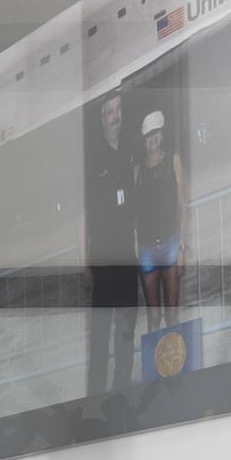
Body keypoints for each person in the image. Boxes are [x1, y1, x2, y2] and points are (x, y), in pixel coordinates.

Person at [84, 90, 139, 394]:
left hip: (127, 255)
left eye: (118, 110)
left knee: (126, 329)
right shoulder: (94, 159)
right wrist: (86, 259)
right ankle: (96, 396)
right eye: (109, 112)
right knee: (101, 333)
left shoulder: (129, 151)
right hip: (104, 259)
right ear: (101, 118)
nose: (115, 117)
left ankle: (122, 390)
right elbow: (85, 212)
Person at [132, 106, 189, 330]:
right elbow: (135, 215)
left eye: (155, 133)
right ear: (143, 140)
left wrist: (183, 248)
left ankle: (178, 364)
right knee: (153, 318)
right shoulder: (137, 171)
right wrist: (135, 244)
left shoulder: (173, 161)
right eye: (148, 136)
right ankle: (155, 365)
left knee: (172, 314)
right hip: (146, 250)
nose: (152, 139)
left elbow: (184, 205)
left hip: (171, 245)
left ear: (162, 135)